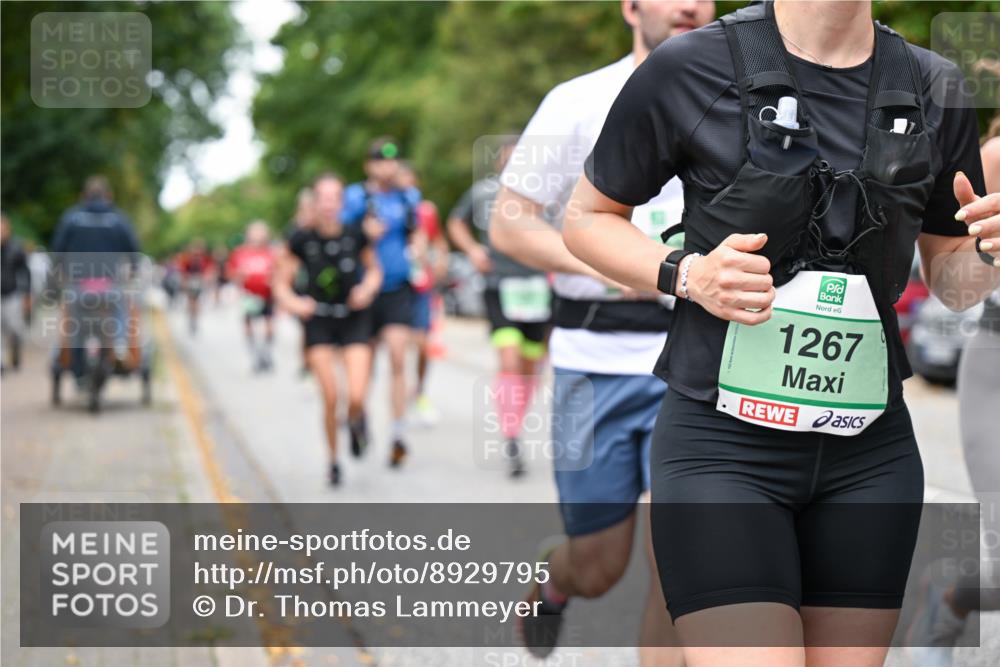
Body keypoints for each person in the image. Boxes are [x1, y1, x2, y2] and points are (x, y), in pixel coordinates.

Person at [565, 1, 1000, 664]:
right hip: (722, 451)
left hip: (869, 458)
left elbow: (951, 279)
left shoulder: (935, 86)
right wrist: (689, 273)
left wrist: (991, 254)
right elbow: (587, 218)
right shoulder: (691, 66)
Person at [490, 0, 714, 661]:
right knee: (599, 563)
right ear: (631, 8)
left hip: (700, 361)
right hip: (598, 361)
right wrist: (601, 259)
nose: (688, 5)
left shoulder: (751, 99)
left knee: (681, 566)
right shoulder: (579, 101)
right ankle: (556, 582)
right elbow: (510, 220)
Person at [907, 116, 1000, 667]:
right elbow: (954, 286)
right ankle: (949, 597)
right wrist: (987, 250)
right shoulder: (994, 158)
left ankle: (954, 587)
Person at [449, 137, 551, 478]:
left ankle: (516, 418)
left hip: (536, 286)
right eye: (507, 159)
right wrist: (473, 252)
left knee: (529, 364)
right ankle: (511, 433)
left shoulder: (544, 193)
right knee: (508, 358)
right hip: (499, 285)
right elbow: (455, 222)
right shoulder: (484, 193)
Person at [274, 173, 382, 487]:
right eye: (323, 198)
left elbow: (374, 270)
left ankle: (358, 420)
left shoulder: (356, 234)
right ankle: (333, 461)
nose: (328, 205)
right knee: (331, 395)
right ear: (315, 202)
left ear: (341, 203)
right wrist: (295, 303)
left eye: (334, 198)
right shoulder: (301, 239)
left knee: (357, 395)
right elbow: (280, 283)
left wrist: (367, 289)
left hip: (353, 317)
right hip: (319, 320)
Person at [341, 138, 424, 468]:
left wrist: (418, 248)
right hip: (365, 290)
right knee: (366, 366)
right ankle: (359, 417)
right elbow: (342, 236)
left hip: (398, 289)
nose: (387, 167)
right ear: (369, 166)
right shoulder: (356, 197)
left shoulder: (408, 197)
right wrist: (364, 232)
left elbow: (415, 231)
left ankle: (398, 433)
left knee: (398, 357)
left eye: (392, 161)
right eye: (380, 161)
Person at [50, 175, 141, 360]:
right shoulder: (119, 219)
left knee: (72, 319)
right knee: (121, 308)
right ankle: (120, 343)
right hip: (109, 283)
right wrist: (134, 269)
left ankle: (72, 354)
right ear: (108, 195)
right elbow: (133, 250)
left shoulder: (71, 218)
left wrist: (58, 272)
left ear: (84, 195)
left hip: (79, 283)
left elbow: (58, 250)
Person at [397, 161, 449, 426]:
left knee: (421, 344)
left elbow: (439, 241)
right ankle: (398, 398)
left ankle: (418, 393)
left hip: (421, 285)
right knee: (397, 345)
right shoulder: (387, 209)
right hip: (395, 287)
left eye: (409, 181)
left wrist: (440, 260)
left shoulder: (427, 211)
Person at [226, 221, 277, 372]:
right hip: (249, 295)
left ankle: (266, 352)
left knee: (269, 325)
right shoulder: (240, 253)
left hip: (267, 294)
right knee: (248, 325)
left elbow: (280, 272)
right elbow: (231, 273)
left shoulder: (271, 252)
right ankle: (254, 353)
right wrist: (239, 277)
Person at [1, 212, 31, 374]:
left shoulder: (15, 248)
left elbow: (25, 272)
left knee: (15, 329)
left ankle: (15, 353)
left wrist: (27, 294)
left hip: (12, 294)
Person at [175, 238, 216, 336]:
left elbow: (209, 270)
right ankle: (191, 316)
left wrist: (207, 278)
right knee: (191, 300)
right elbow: (182, 270)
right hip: (190, 282)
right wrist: (184, 281)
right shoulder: (187, 258)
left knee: (196, 301)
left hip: (199, 282)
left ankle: (195, 318)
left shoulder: (204, 259)